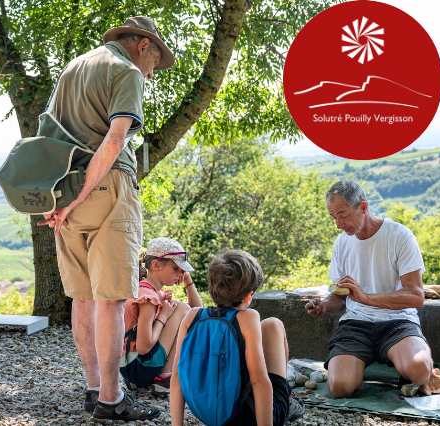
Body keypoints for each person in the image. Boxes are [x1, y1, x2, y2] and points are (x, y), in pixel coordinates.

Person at [36, 16, 174, 421]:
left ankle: (94, 388)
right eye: (156, 62)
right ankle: (112, 401)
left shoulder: (73, 68)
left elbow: (46, 137)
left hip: (63, 195)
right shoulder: (127, 72)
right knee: (112, 299)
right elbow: (116, 139)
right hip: (107, 188)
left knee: (82, 298)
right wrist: (82, 195)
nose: (152, 72)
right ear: (143, 46)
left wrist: (59, 199)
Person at [305, 180, 431, 398]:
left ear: (363, 207)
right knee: (340, 388)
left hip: (398, 322)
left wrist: (367, 298)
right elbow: (341, 298)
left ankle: (406, 365)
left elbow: (415, 296)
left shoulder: (399, 235)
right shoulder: (341, 244)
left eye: (343, 215)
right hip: (356, 325)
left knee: (420, 372)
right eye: (333, 217)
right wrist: (324, 306)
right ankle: (360, 365)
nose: (338, 224)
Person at [170, 250, 304, 426]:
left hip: (209, 414)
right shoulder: (248, 318)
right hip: (246, 416)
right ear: (249, 295)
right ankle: (285, 400)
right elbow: (259, 382)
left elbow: (176, 378)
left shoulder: (192, 317)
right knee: (273, 325)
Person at [120, 238, 201, 397]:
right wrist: (163, 316)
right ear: (156, 265)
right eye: (176, 268)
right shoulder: (149, 299)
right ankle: (165, 378)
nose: (180, 274)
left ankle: (143, 380)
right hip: (138, 367)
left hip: (127, 366)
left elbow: (198, 310)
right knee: (182, 308)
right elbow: (144, 347)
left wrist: (187, 280)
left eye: (182, 270)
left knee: (179, 308)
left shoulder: (142, 290)